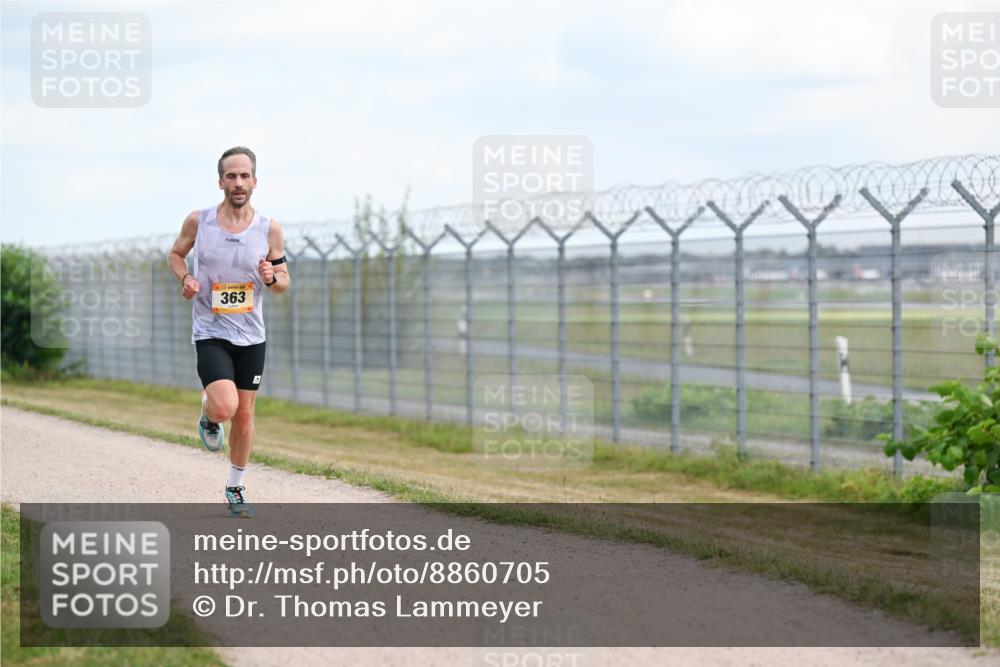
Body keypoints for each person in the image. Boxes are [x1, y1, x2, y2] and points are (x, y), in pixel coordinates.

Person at [167, 146, 290, 517]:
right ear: (220, 181)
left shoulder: (269, 228)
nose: (238, 183)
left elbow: (284, 281)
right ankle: (209, 413)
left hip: (251, 335)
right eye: (231, 176)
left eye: (244, 175)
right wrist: (186, 277)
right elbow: (175, 254)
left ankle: (235, 487)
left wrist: (273, 277)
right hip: (211, 329)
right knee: (225, 406)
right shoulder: (198, 221)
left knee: (246, 415)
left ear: (255, 181)